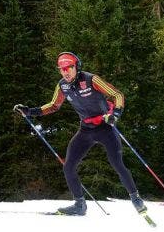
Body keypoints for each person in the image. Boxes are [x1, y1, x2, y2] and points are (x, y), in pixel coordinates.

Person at [13, 52, 147, 216]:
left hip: (105, 127)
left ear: (76, 67)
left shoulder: (91, 79)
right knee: (68, 166)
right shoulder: (63, 86)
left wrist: (116, 114)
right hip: (86, 129)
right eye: (61, 69)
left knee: (117, 163)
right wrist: (29, 111)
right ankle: (79, 205)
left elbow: (117, 95)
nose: (65, 72)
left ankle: (136, 199)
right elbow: (54, 105)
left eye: (69, 68)